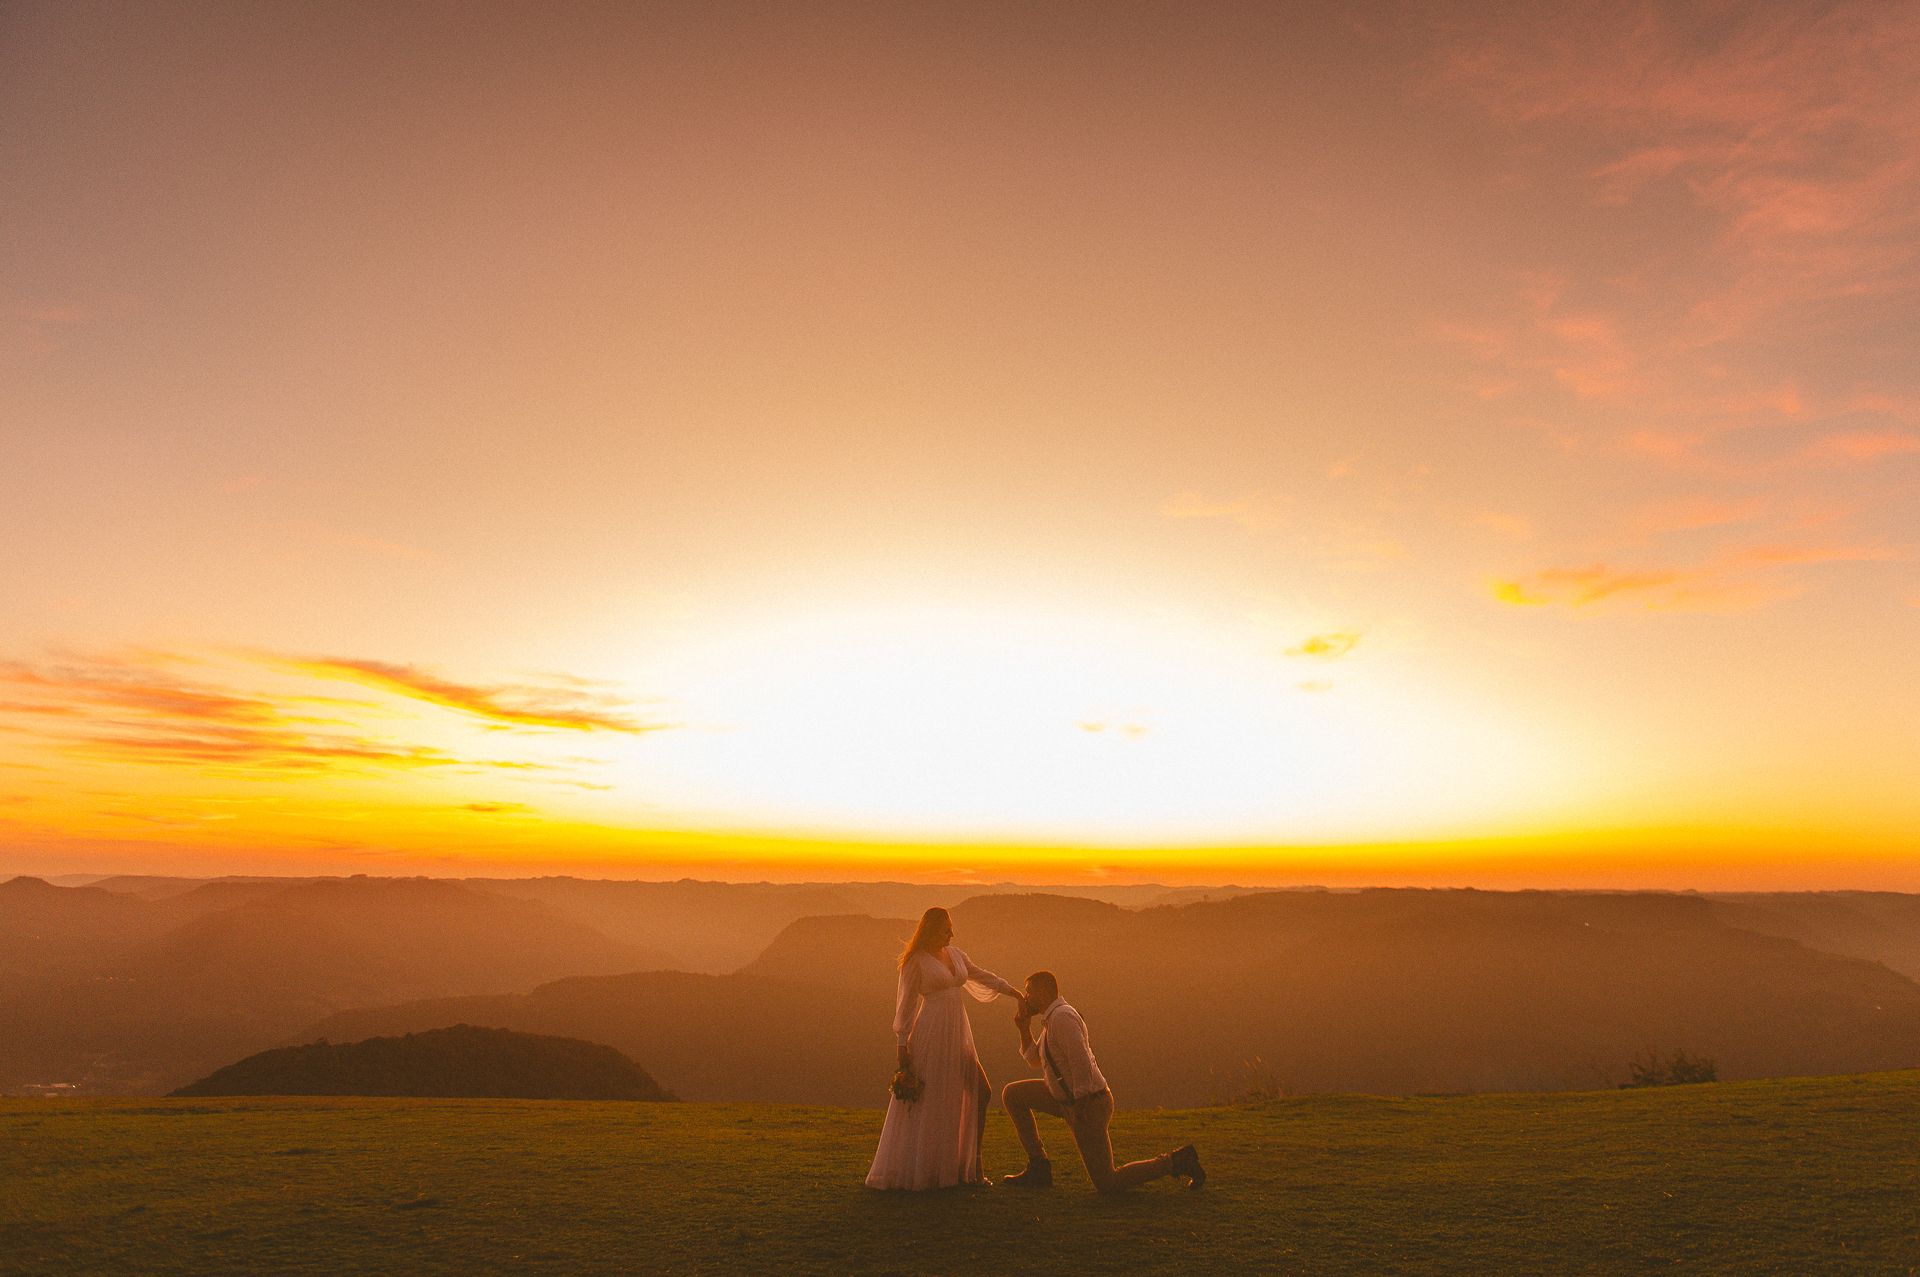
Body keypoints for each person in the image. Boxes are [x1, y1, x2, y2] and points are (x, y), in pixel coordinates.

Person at [999, 970, 1204, 1192]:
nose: (1025, 998)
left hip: (1089, 1103)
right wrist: (1023, 1028)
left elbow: (1081, 1061)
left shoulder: (1062, 1018)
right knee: (1013, 1094)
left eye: (1029, 992)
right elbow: (1033, 1060)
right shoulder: (1052, 1020)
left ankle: (1176, 1161)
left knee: (1107, 1182)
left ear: (1044, 992)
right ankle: (1039, 1167)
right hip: (1064, 1099)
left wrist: (1081, 1104)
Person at [864, 907, 1021, 1190]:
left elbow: (980, 975)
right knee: (932, 1100)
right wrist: (902, 1044)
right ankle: (930, 1170)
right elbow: (907, 1004)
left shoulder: (956, 955)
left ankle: (971, 1166)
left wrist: (1014, 992)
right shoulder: (915, 961)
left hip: (957, 1032)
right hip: (931, 1033)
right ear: (932, 929)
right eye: (946, 928)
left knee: (981, 1092)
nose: (952, 933)